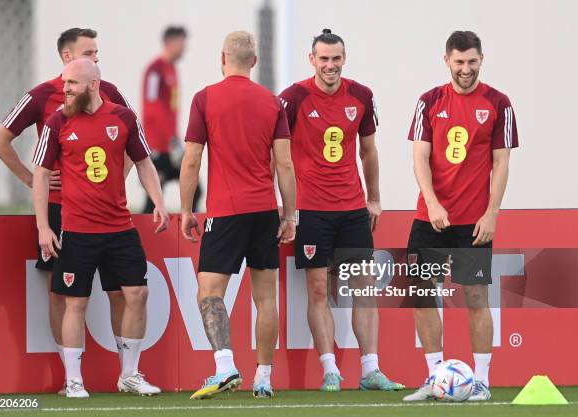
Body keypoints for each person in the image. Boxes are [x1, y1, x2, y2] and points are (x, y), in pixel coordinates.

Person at [0, 27, 143, 394]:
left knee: (124, 292)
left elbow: (130, 142)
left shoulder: (106, 91)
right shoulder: (41, 96)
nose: (96, 58)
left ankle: (128, 373)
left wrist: (113, 185)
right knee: (61, 294)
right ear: (67, 57)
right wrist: (31, 180)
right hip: (61, 212)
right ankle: (69, 376)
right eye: (89, 52)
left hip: (108, 217)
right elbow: (0, 141)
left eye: (96, 52)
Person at [32, 58, 169, 398]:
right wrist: (43, 227)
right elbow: (40, 174)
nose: (65, 90)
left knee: (137, 294)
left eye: (72, 84)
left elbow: (144, 162)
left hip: (119, 226)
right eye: (64, 83)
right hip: (77, 230)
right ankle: (74, 380)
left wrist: (159, 202)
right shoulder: (57, 121)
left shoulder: (123, 118)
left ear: (93, 85)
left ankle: (130, 375)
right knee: (74, 303)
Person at [278, 29, 403, 392]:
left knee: (364, 287)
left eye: (336, 59)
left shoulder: (361, 95)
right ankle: (330, 369)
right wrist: (288, 209)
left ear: (344, 59)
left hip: (351, 208)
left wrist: (374, 197)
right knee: (318, 290)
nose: (330, 65)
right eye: (324, 59)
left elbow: (369, 151)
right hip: (312, 210)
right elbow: (279, 156)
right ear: (312, 60)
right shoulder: (293, 98)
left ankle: (371, 370)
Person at [402, 30, 518, 402]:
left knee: (475, 296)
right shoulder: (429, 101)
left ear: (481, 59)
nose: (465, 69)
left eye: (471, 61)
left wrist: (492, 213)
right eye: (459, 61)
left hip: (474, 221)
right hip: (430, 218)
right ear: (447, 60)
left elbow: (501, 164)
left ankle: (481, 381)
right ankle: (434, 377)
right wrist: (433, 203)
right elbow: (420, 156)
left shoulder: (499, 103)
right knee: (422, 294)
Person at [180, 31, 296, 399]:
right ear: (255, 62)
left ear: (222, 57)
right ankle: (263, 377)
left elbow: (192, 159)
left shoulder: (205, 98)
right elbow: (285, 164)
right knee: (266, 299)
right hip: (264, 211)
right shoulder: (272, 102)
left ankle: (225, 366)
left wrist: (185, 209)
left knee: (209, 293)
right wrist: (289, 214)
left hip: (226, 213)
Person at [141, 26, 201, 213]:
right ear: (170, 42)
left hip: (171, 146)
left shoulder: (172, 70)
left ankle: (189, 235)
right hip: (157, 147)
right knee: (153, 198)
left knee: (196, 190)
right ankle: (146, 239)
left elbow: (169, 112)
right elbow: (151, 111)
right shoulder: (154, 71)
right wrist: (153, 145)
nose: (184, 47)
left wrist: (175, 141)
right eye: (182, 43)